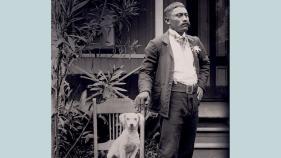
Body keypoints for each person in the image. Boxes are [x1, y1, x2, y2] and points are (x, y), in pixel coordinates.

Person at [134, 2, 210, 158]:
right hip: (172, 98)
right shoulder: (157, 44)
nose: (185, 18)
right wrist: (144, 91)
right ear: (167, 20)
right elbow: (146, 71)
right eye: (179, 15)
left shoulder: (195, 42)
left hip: (193, 99)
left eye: (186, 15)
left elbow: (205, 64)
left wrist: (201, 86)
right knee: (168, 150)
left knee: (187, 149)